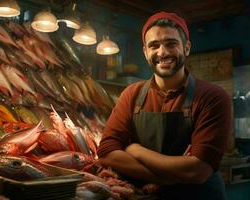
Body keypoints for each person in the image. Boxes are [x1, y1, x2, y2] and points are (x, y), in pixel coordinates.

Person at [97, 11, 231, 199]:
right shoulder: (131, 95)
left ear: (186, 48)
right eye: (154, 46)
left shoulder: (213, 97)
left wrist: (135, 149)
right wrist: (169, 177)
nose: (162, 52)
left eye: (171, 44)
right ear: (145, 52)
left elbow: (198, 170)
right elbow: (106, 151)